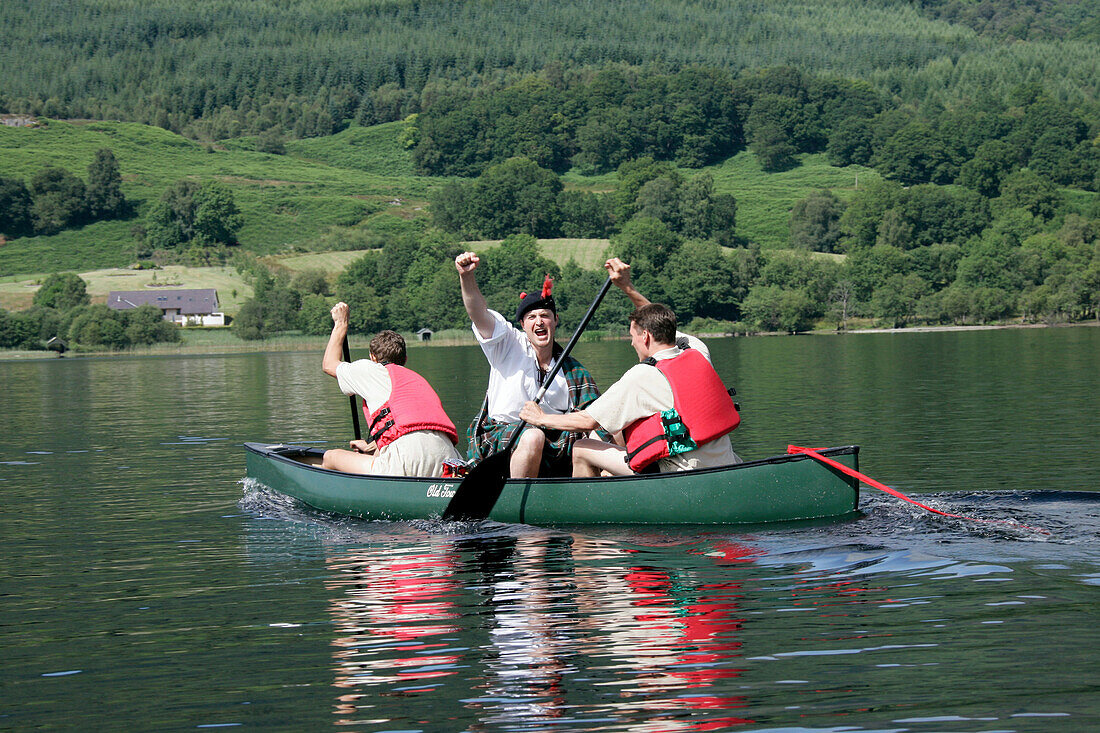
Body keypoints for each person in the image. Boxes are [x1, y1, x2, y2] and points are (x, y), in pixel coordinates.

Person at [519, 258, 742, 477]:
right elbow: (660, 320)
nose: (631, 342)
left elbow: (587, 420)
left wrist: (541, 418)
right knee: (620, 429)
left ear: (645, 336)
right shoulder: (696, 351)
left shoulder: (641, 376)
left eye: (632, 336)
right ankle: (609, 477)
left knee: (583, 447)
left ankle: (591, 510)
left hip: (677, 473)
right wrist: (627, 287)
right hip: (726, 464)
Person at [455, 250, 606, 478]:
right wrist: (467, 277)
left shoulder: (572, 369)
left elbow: (594, 416)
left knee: (601, 432)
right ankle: (515, 504)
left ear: (555, 321)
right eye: (532, 317)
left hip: (556, 441)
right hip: (504, 436)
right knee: (533, 435)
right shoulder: (507, 343)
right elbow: (478, 313)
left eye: (545, 316)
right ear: (523, 325)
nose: (539, 322)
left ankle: (602, 489)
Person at [321, 302, 463, 477]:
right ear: (404, 359)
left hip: (407, 460)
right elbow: (415, 429)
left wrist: (341, 323)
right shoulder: (416, 380)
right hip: (448, 460)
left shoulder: (370, 369)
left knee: (330, 457)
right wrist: (372, 446)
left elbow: (329, 365)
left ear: (372, 357)